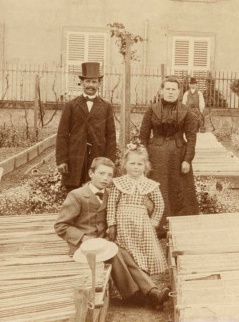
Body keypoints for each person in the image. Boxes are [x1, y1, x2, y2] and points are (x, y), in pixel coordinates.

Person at [54, 157, 169, 307]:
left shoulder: (112, 194)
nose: (105, 178)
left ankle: (152, 292)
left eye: (109, 175)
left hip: (104, 242)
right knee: (115, 254)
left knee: (124, 253)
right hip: (84, 247)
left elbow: (137, 204)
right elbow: (61, 226)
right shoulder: (77, 195)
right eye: (101, 173)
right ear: (91, 173)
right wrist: (83, 238)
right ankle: (135, 295)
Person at [139, 77, 199, 235]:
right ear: (161, 91)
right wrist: (143, 160)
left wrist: (187, 160)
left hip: (178, 156)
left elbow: (192, 138)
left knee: (179, 190)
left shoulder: (186, 111)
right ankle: (157, 227)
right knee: (158, 189)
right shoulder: (152, 109)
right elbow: (143, 136)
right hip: (156, 156)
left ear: (179, 92)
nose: (170, 92)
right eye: (168, 89)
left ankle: (180, 227)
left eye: (174, 89)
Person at [107, 146, 167, 276]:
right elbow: (112, 204)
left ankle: (143, 271)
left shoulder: (150, 184)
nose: (136, 167)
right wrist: (112, 223)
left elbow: (160, 204)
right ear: (124, 165)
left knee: (143, 247)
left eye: (140, 164)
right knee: (127, 248)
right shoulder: (119, 183)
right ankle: (131, 273)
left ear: (146, 166)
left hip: (142, 223)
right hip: (123, 223)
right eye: (132, 163)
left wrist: (154, 221)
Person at [56, 62, 117, 191]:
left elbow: (111, 136)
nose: (90, 85)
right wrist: (61, 160)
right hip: (75, 157)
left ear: (99, 84)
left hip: (97, 156)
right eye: (87, 81)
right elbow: (62, 134)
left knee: (96, 191)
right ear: (82, 83)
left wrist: (109, 162)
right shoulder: (71, 105)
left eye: (94, 82)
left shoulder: (106, 106)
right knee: (74, 193)